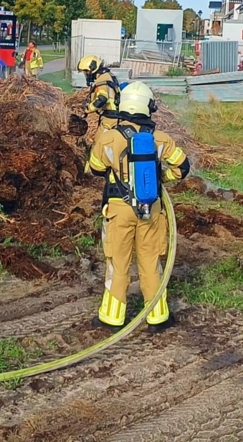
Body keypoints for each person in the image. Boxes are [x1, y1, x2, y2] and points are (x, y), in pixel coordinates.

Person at [86, 81, 190, 333]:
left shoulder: (109, 138)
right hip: (151, 210)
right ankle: (158, 317)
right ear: (147, 107)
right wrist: (161, 179)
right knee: (151, 263)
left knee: (118, 264)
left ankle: (112, 318)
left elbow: (96, 168)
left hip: (119, 211)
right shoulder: (160, 139)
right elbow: (182, 168)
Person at [77, 55, 121, 129]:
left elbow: (102, 99)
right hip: (113, 115)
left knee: (101, 137)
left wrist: (88, 108)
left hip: (111, 117)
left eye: (86, 72)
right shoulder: (106, 75)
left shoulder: (102, 79)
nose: (86, 75)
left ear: (93, 69)